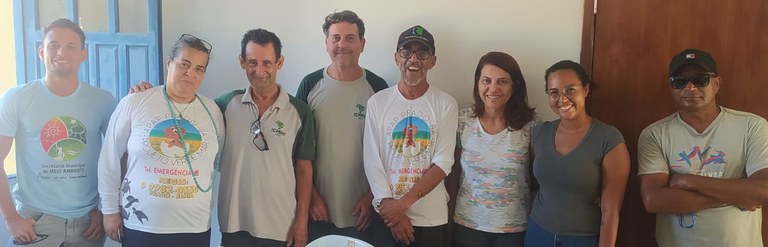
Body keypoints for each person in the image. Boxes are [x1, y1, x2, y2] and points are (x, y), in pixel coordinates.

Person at [98, 33, 224, 247]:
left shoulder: (212, 111)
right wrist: (109, 210)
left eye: (198, 69)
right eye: (184, 64)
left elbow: (217, 160)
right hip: (142, 224)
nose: (190, 73)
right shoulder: (136, 101)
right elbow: (109, 159)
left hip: (194, 226)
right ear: (169, 63)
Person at [0, 18, 115, 247]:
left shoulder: (103, 101)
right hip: (35, 222)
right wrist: (11, 218)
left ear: (83, 54)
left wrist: (106, 209)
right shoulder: (17, 99)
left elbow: (120, 158)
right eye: (53, 45)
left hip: (88, 223)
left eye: (71, 46)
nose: (61, 51)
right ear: (41, 51)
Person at [638, 48, 768, 247]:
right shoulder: (655, 134)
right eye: (680, 81)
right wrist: (740, 194)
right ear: (670, 87)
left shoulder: (752, 126)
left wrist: (687, 181)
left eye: (700, 79)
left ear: (717, 84)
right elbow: (654, 200)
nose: (690, 87)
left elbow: (763, 191)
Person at [216, 28, 315, 247]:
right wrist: (145, 92)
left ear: (279, 62)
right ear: (242, 62)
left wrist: (302, 220)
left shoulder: (299, 111)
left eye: (267, 63)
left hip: (281, 225)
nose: (259, 71)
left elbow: (304, 169)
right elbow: (186, 111)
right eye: (252, 63)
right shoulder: (224, 106)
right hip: (234, 223)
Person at [295, 10, 388, 242]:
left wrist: (371, 197)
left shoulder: (378, 87)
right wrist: (312, 198)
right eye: (335, 38)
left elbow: (389, 151)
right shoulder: (310, 84)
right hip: (317, 210)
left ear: (362, 43)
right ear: (326, 43)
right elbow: (295, 148)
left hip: (363, 212)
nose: (342, 44)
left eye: (349, 38)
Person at [363, 25, 458, 247]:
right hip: (385, 216)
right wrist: (390, 208)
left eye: (422, 53)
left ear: (432, 61)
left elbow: (444, 163)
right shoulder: (377, 102)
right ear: (397, 58)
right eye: (406, 52)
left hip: (430, 218)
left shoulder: (445, 104)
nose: (413, 59)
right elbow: (371, 160)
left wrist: (402, 205)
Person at [524, 60, 629, 247]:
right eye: (554, 92)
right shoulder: (539, 133)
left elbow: (611, 210)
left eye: (570, 90)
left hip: (583, 238)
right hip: (538, 232)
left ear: (586, 90)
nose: (562, 99)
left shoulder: (608, 138)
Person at [446, 51, 538, 247]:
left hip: (514, 230)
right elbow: (453, 176)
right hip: (467, 226)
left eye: (502, 82)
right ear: (477, 82)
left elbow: (542, 175)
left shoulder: (531, 126)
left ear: (515, 86)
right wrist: (449, 219)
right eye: (486, 80)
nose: (492, 88)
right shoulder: (462, 121)